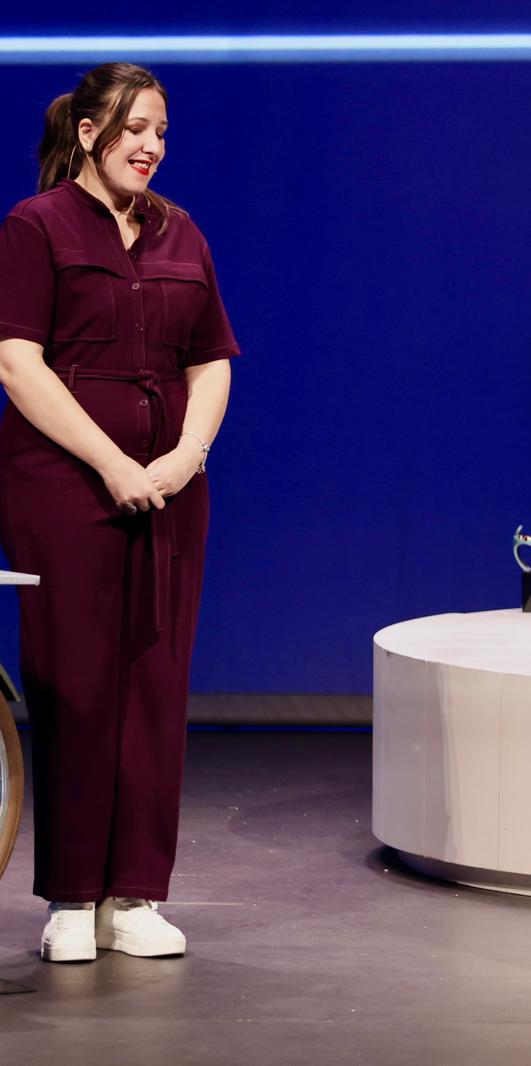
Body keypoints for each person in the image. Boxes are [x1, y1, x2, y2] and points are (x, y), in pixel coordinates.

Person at [0, 62, 238, 962]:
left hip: (172, 486)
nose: (152, 146)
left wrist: (183, 457)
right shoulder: (36, 226)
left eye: (163, 132)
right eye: (136, 128)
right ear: (91, 134)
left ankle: (133, 893)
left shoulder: (183, 234)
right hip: (62, 482)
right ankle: (70, 897)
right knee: (75, 678)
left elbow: (211, 360)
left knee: (153, 679)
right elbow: (19, 364)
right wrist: (111, 464)